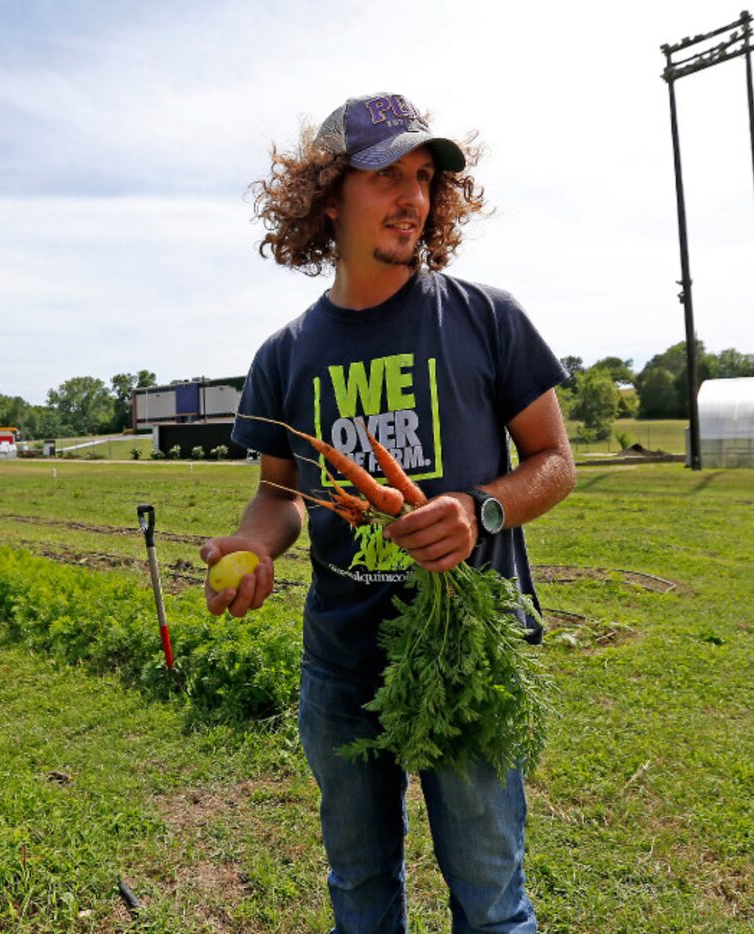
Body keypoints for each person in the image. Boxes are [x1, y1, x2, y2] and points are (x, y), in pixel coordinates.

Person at [200, 92, 576, 933]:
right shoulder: (285, 353)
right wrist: (256, 547)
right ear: (328, 195)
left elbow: (554, 464)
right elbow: (278, 493)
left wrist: (479, 512)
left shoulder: (487, 318)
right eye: (386, 176)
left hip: (467, 651)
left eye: (424, 178)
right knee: (360, 894)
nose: (413, 196)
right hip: (341, 660)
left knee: (491, 902)